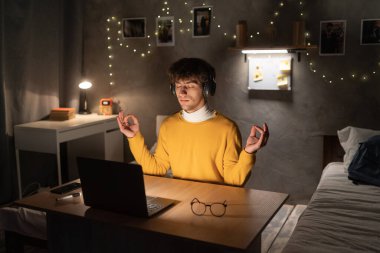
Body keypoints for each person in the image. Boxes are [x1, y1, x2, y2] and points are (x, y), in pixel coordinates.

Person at [117, 58, 269, 186]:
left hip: (212, 205)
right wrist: (133, 137)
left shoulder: (227, 128)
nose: (182, 92)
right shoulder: (168, 125)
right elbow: (156, 169)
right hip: (180, 200)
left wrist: (249, 152)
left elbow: (234, 180)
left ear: (206, 88)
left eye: (190, 86)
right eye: (178, 86)